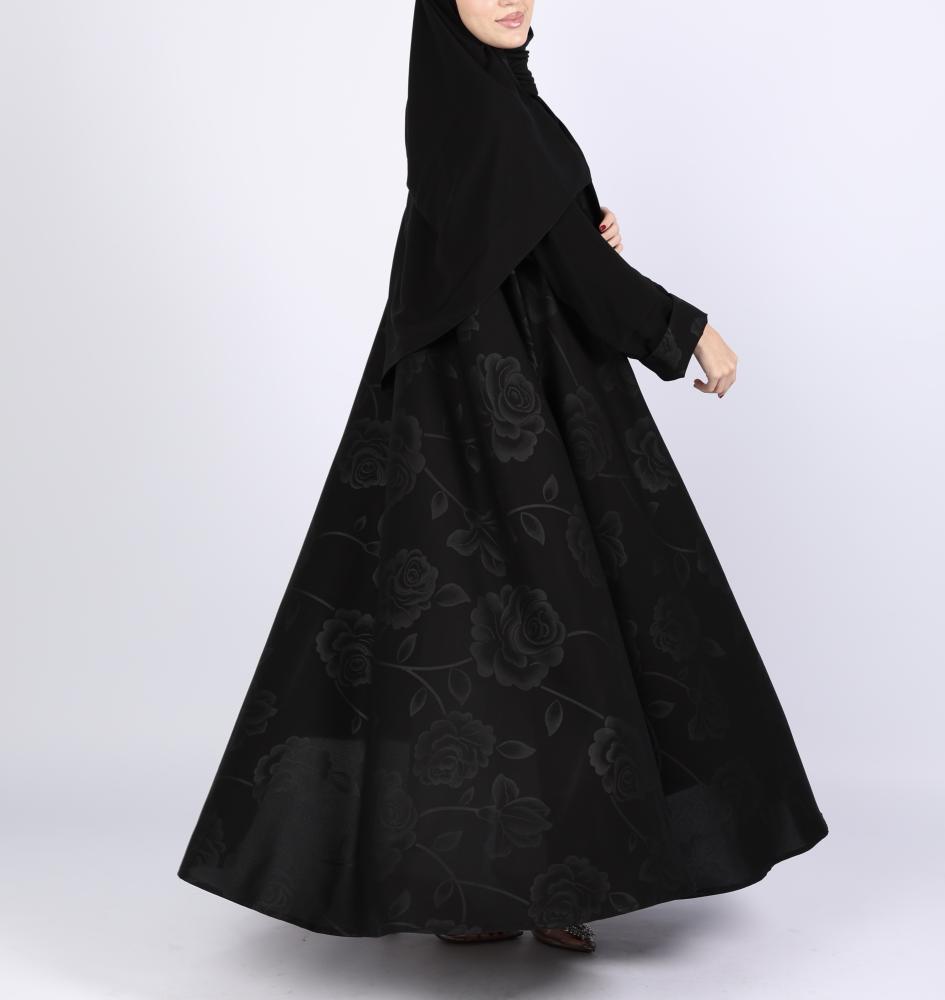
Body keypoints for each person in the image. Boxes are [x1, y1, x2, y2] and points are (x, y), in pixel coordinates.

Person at [176, 0, 829, 956]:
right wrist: (689, 331)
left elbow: (527, 235)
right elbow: (571, 267)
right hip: (509, 407)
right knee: (554, 629)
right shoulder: (489, 109)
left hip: (458, 406)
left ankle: (491, 889)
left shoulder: (471, 95)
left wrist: (571, 218)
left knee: (474, 637)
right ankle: (545, 880)